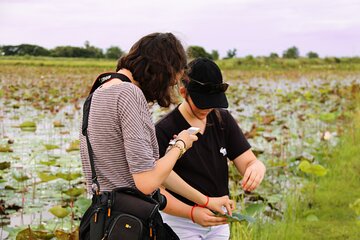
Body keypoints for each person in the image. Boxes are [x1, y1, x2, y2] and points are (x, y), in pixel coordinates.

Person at [156, 57, 266, 239]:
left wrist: (256, 167)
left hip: (219, 219)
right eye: (202, 102)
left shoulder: (223, 120)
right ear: (184, 92)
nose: (207, 108)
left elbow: (248, 161)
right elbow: (156, 189)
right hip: (180, 223)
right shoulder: (164, 129)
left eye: (212, 102)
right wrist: (191, 212)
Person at [80, 32, 198, 198]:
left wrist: (205, 201)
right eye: (170, 83)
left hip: (104, 214)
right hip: (127, 217)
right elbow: (146, 182)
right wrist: (180, 145)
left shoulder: (98, 91)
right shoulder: (129, 93)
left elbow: (136, 169)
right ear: (161, 72)